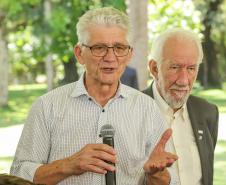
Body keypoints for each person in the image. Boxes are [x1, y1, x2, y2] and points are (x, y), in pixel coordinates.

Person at [10, 7, 178, 185]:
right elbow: (19, 175)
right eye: (100, 48)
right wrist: (69, 165)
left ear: (129, 54)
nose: (110, 57)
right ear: (79, 54)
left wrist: (156, 176)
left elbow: (170, 181)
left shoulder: (147, 108)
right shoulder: (47, 106)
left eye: (119, 48)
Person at [143, 28, 219, 185]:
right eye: (175, 67)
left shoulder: (208, 113)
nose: (183, 80)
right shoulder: (129, 111)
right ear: (154, 68)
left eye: (191, 69)